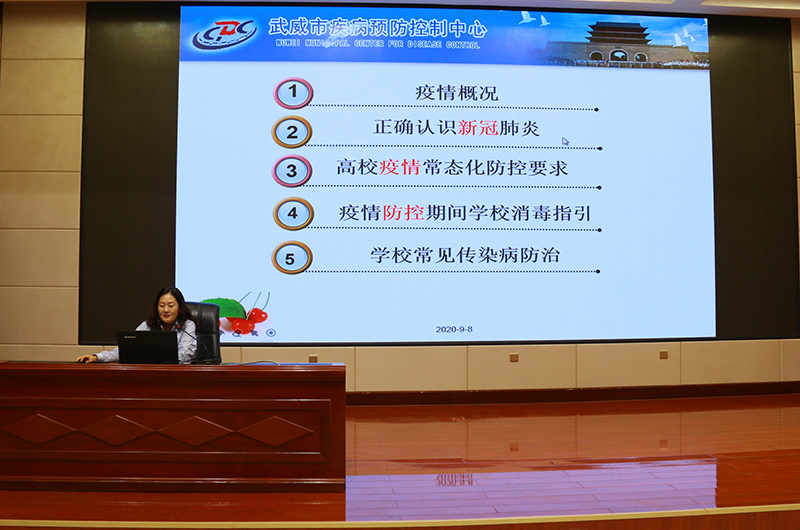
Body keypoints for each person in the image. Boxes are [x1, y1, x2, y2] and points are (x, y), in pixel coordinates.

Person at [76, 287, 198, 364]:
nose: (166, 310)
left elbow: (186, 353)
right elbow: (126, 351)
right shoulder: (148, 325)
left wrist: (153, 356)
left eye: (171, 306)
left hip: (177, 376)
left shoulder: (187, 325)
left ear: (179, 308)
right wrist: (98, 357)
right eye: (161, 306)